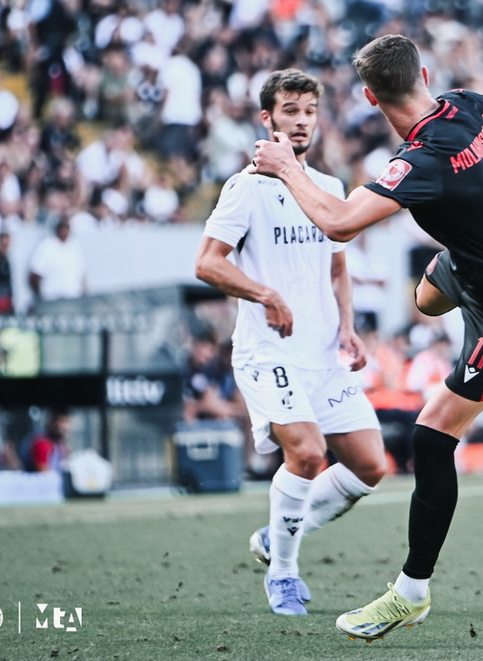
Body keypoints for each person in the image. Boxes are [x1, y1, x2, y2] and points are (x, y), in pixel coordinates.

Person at [250, 33, 483, 641]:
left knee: (429, 438)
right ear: (423, 72)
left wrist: (288, 166)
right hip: (474, 265)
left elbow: (340, 224)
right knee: (423, 300)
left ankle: (411, 592)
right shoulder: (469, 104)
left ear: (371, 97)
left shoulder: (421, 161)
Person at [194, 69, 388, 617]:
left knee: (371, 466)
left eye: (308, 111)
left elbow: (337, 269)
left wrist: (348, 326)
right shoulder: (246, 188)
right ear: (267, 119)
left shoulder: (328, 188)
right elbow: (207, 263)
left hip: (324, 355)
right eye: (289, 111)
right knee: (307, 454)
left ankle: (274, 533)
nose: (300, 121)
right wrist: (265, 295)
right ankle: (283, 572)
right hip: (269, 352)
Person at [27, 217, 87, 304]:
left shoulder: (74, 246)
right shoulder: (47, 246)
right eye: (62, 228)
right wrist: (39, 295)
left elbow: (81, 273)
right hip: (51, 299)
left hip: (72, 298)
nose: (64, 231)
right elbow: (34, 274)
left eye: (66, 228)